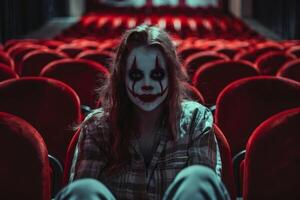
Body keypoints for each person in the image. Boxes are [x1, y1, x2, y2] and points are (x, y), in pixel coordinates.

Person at [56, 24, 230, 200]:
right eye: (136, 75)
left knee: (198, 179)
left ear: (171, 77)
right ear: (122, 78)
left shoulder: (196, 120)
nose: (147, 84)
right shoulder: (97, 127)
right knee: (84, 189)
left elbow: (204, 191)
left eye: (156, 75)